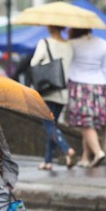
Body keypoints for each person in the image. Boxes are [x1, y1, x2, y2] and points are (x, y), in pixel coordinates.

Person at [30, 26, 76, 171]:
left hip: (48, 90)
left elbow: (33, 62)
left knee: (50, 126)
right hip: (62, 92)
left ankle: (67, 149)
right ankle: (48, 161)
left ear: (50, 26)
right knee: (53, 124)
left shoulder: (44, 42)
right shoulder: (69, 45)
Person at [66, 28, 106, 168]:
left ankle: (98, 152)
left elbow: (67, 64)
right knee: (90, 123)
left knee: (84, 122)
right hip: (99, 86)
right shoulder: (103, 43)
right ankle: (86, 157)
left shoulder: (71, 44)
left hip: (79, 85)